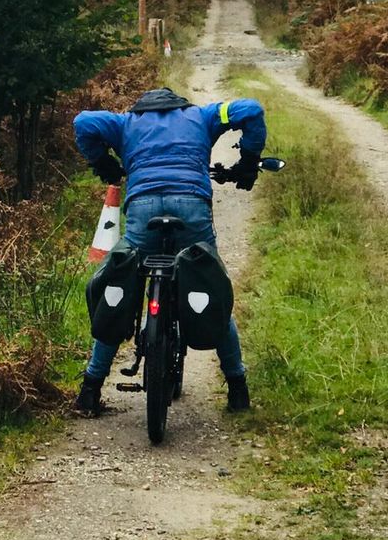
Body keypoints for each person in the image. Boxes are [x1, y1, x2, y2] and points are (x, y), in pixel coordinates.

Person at [72, 87, 266, 417]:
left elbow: (83, 122)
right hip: (191, 208)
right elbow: (250, 110)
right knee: (212, 288)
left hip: (143, 211)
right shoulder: (203, 116)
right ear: (179, 105)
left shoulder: (125, 123)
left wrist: (105, 164)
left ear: (143, 107)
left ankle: (90, 389)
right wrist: (247, 162)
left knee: (121, 291)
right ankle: (237, 388)